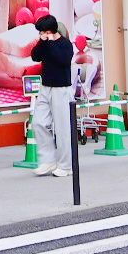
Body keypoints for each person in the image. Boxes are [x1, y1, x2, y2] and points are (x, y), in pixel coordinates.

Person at [29, 17, 76, 178]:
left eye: (42, 32)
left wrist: (49, 42)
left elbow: (62, 60)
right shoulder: (44, 44)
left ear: (49, 31)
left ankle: (65, 166)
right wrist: (42, 42)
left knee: (62, 129)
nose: (40, 35)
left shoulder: (65, 44)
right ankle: (48, 160)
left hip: (61, 90)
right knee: (38, 122)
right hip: (45, 87)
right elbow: (35, 56)